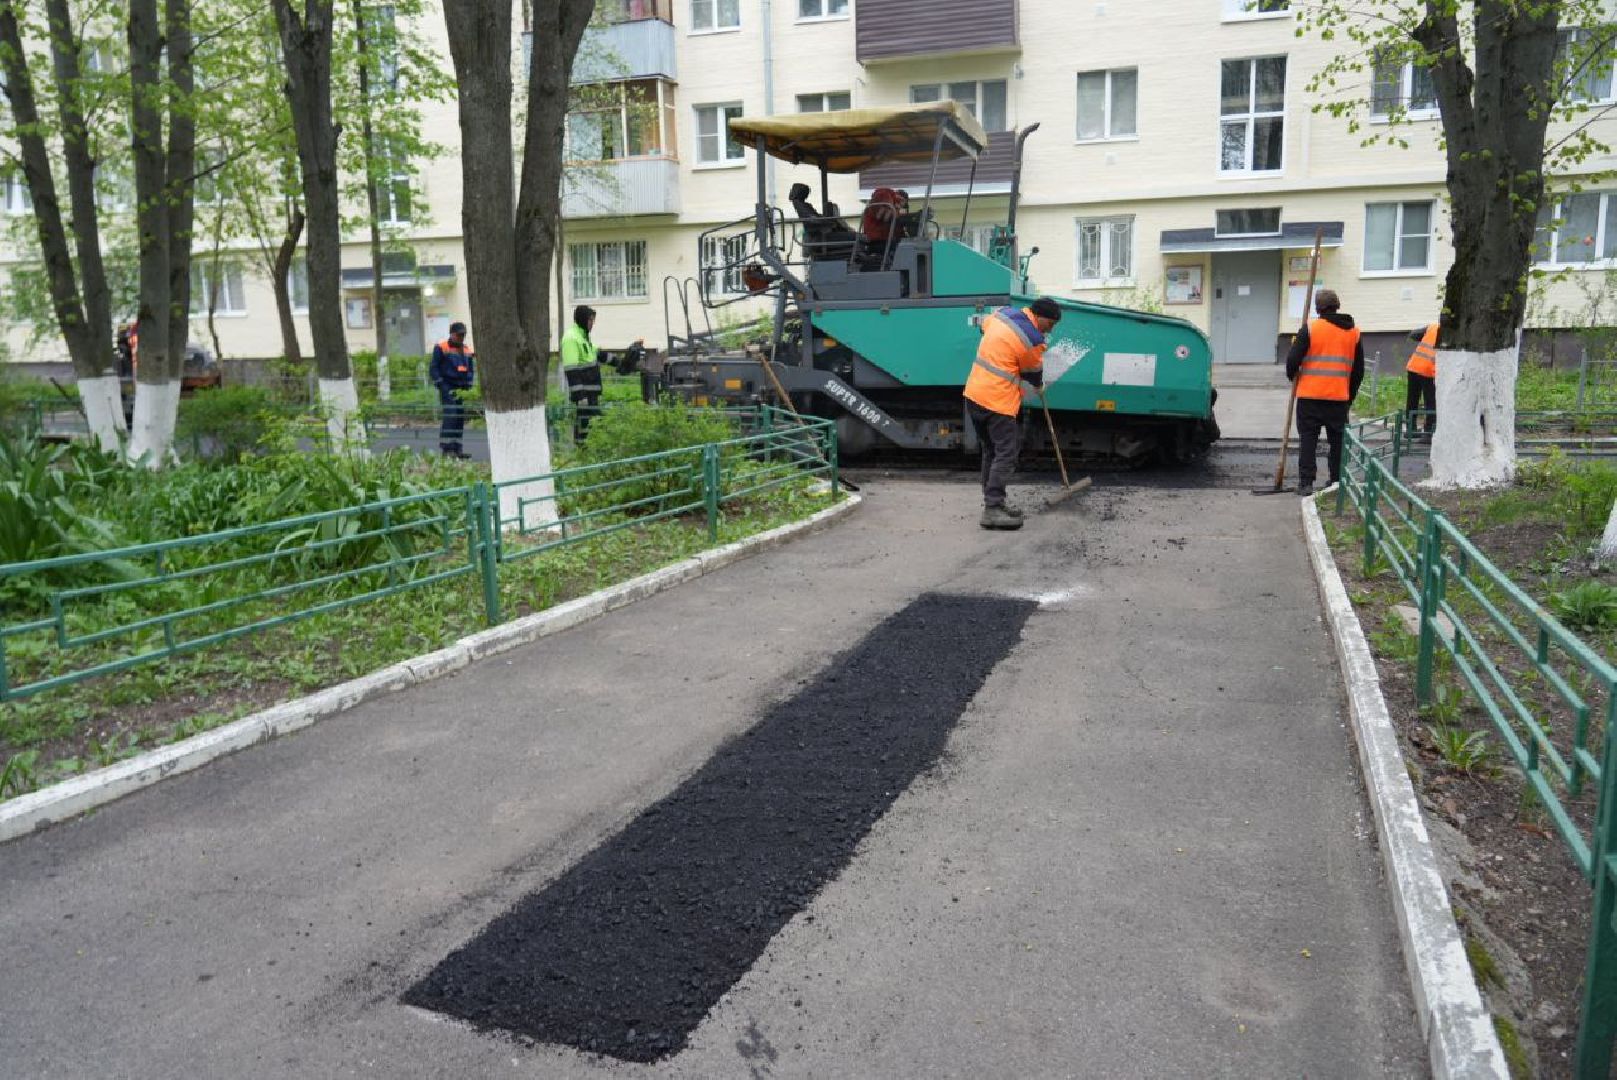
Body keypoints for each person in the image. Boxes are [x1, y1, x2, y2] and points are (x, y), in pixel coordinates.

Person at [963, 297, 1062, 530]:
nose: (1052, 329)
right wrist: (1039, 386)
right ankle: (993, 509)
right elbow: (1033, 372)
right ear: (1041, 318)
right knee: (1005, 454)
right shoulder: (1032, 339)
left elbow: (983, 326)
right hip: (998, 402)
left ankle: (993, 501)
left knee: (991, 450)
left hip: (974, 394)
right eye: (1052, 324)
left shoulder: (1002, 315)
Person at [1285, 289, 1365, 496]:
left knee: (1308, 440)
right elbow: (1358, 371)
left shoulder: (1310, 329)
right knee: (1338, 441)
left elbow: (1292, 360)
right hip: (1338, 398)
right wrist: (1350, 395)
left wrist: (1292, 375)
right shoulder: (1353, 332)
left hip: (1310, 396)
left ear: (1318, 308)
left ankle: (1306, 483)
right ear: (1337, 305)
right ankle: (1337, 480)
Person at [429, 321, 475, 458]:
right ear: (452, 334)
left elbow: (471, 369)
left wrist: (469, 383)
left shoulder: (466, 349)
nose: (462, 338)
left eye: (463, 335)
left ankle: (457, 449)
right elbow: (433, 368)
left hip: (462, 388)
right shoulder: (441, 347)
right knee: (451, 415)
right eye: (459, 335)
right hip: (448, 386)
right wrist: (441, 384)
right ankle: (447, 449)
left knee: (459, 417)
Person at [1405, 321, 1439, 437]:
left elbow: (1413, 334)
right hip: (1428, 371)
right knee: (1431, 402)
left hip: (1414, 367)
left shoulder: (1432, 327)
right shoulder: (1451, 334)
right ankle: (1428, 432)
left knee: (1412, 400)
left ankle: (1410, 429)